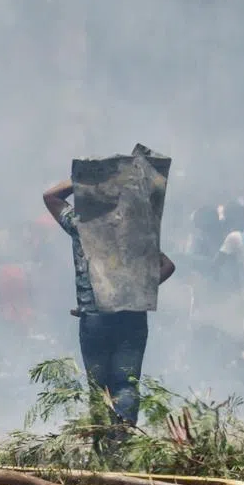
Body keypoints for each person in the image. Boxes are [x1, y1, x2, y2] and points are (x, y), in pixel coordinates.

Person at [43, 177, 175, 430]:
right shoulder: (137, 227)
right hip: (133, 315)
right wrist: (136, 290)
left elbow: (51, 197)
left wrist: (84, 178)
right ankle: (124, 439)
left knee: (99, 385)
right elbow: (168, 265)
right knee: (126, 382)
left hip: (95, 316)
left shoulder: (84, 225)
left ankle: (104, 443)